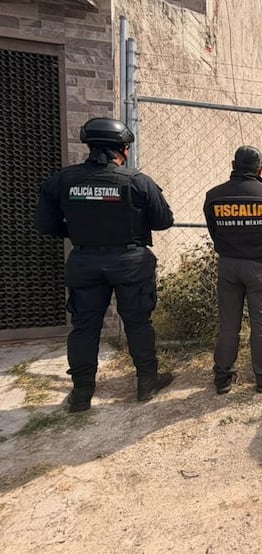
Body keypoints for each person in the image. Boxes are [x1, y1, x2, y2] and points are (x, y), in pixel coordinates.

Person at [34, 117, 175, 412]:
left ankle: (82, 392)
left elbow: (46, 225)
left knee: (84, 328)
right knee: (138, 323)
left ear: (90, 146)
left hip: (85, 260)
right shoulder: (137, 181)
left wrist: (79, 231)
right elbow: (164, 220)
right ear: (122, 149)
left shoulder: (61, 181)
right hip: (130, 262)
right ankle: (146, 382)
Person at [203, 146, 262, 394]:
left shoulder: (214, 196)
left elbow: (214, 232)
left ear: (233, 165)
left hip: (229, 265)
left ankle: (222, 378)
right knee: (261, 324)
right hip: (260, 268)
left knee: (229, 325)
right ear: (260, 169)